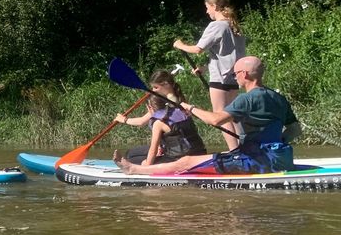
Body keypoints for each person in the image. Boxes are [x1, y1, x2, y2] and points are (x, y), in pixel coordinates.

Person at [114, 56, 301, 175]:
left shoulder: (247, 99)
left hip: (259, 161)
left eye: (235, 74)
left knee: (185, 162)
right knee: (228, 154)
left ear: (244, 74)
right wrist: (274, 142)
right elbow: (295, 129)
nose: (234, 77)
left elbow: (216, 120)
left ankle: (135, 169)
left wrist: (191, 107)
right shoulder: (278, 97)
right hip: (281, 157)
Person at [174, 0, 247, 149]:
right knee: (232, 116)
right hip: (234, 79)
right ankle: (244, 148)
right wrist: (205, 68)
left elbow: (198, 49)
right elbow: (229, 56)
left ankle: (235, 151)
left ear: (215, 6)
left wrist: (179, 45)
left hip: (220, 80)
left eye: (207, 8)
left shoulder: (217, 26)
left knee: (220, 116)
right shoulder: (235, 26)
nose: (207, 11)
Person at [113, 69, 206, 165]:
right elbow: (142, 121)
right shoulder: (182, 107)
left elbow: (152, 148)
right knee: (131, 153)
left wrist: (146, 166)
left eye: (155, 87)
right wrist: (124, 120)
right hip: (194, 150)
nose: (153, 90)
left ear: (166, 84)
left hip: (179, 156)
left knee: (131, 157)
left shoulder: (163, 115)